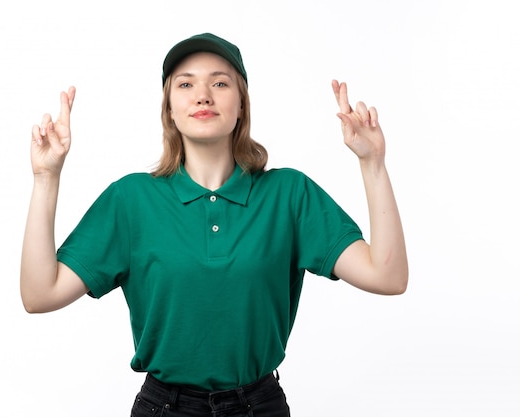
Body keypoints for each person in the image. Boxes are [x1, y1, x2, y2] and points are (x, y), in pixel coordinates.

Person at [21, 33, 408, 417]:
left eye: (220, 83)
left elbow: (387, 277)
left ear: (241, 105)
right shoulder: (130, 199)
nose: (203, 95)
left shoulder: (289, 194)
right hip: (165, 407)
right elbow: (40, 294)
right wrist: (46, 178)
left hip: (260, 406)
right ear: (169, 109)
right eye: (185, 84)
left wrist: (372, 164)